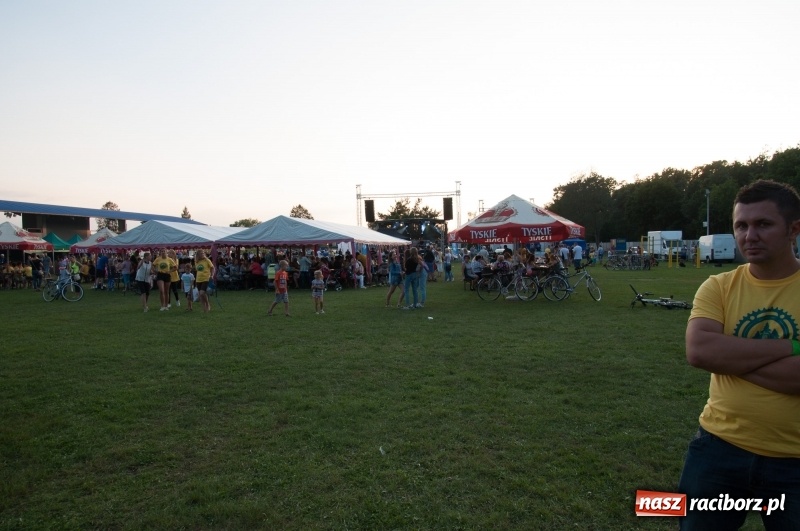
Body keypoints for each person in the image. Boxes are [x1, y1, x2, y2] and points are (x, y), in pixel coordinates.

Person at [678, 180, 800, 529]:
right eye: (741, 226)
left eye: (763, 224)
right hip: (718, 449)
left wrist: (730, 358)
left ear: (794, 229)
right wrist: (790, 347)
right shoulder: (718, 286)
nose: (750, 235)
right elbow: (700, 352)